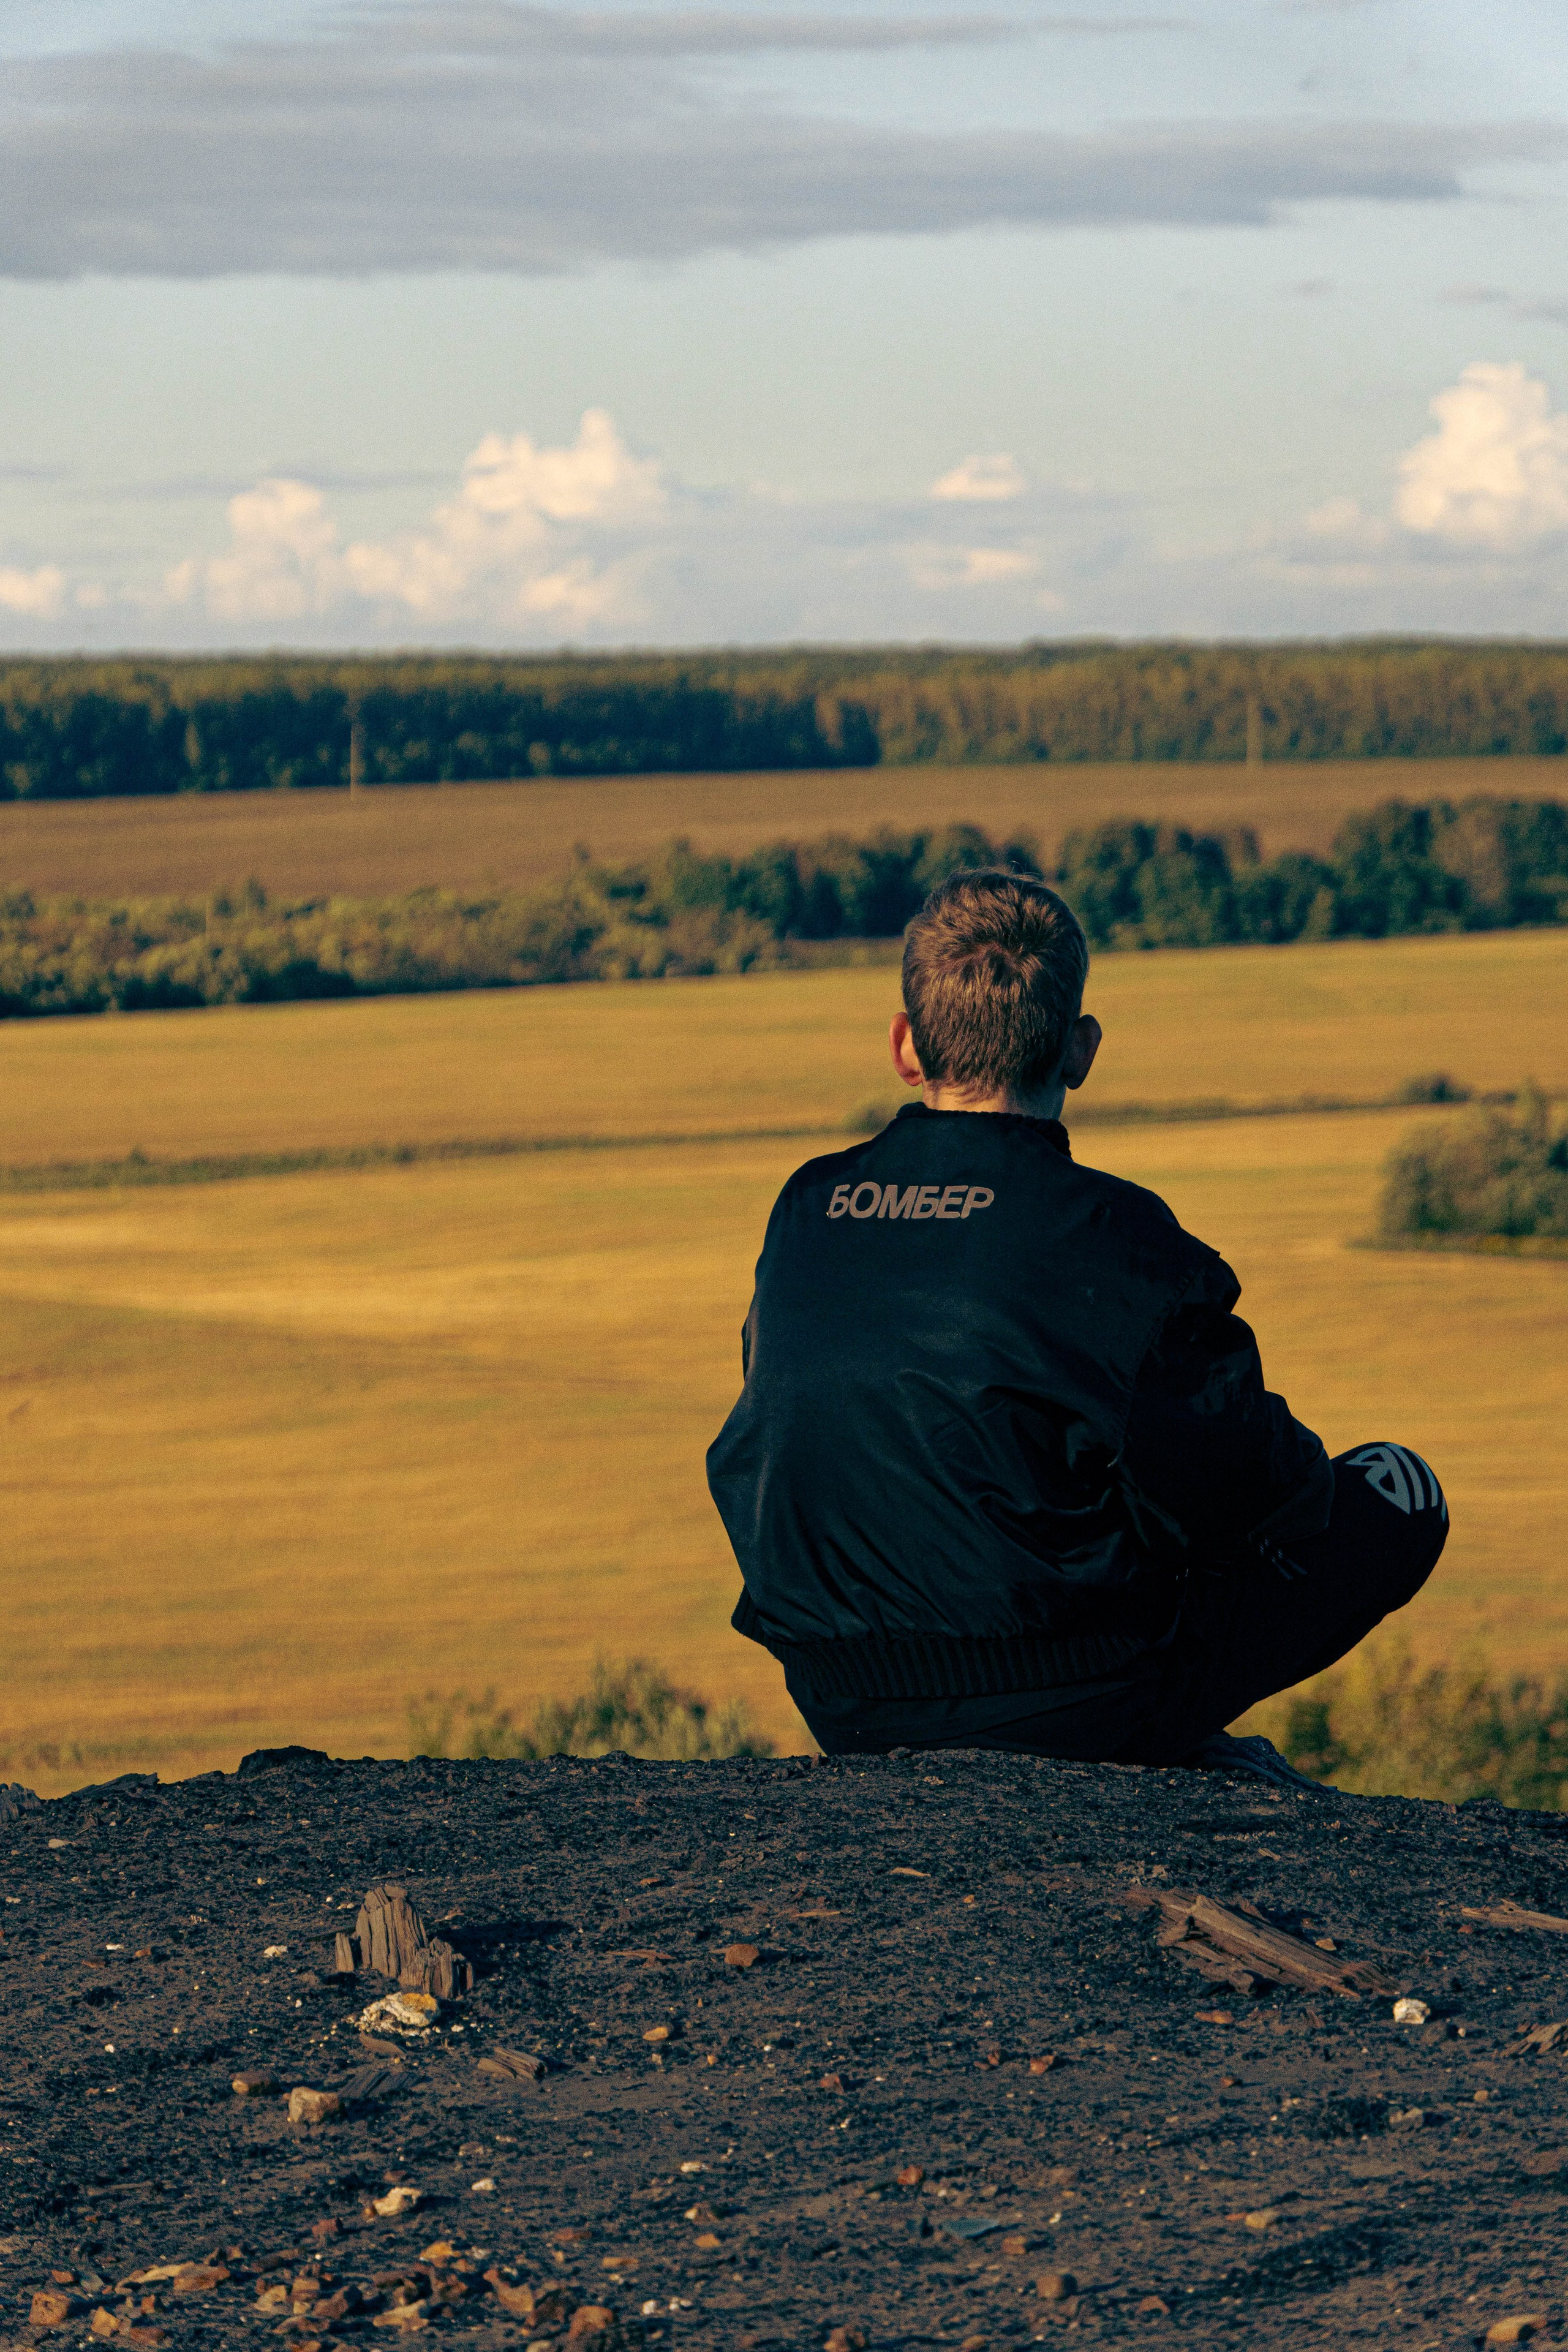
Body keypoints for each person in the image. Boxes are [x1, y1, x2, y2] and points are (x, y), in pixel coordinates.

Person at [706, 867, 1447, 1776]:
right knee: (1400, 1492)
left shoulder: (806, 1206)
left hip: (839, 1693)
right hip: (1068, 1695)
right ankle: (1162, 1742)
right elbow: (1258, 1490)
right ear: (1082, 1049)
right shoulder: (1116, 1235)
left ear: (905, 1045)